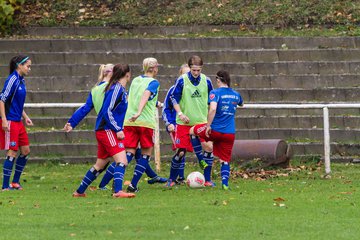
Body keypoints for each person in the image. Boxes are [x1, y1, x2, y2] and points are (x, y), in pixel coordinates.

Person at [71, 64, 135, 198]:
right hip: (107, 130)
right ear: (127, 74)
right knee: (122, 161)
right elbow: (107, 111)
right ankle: (118, 191)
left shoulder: (119, 89)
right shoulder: (117, 88)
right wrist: (117, 129)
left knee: (100, 164)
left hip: (104, 130)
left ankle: (79, 191)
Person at [189, 70, 243, 190]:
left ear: (218, 80)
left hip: (215, 131)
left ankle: (201, 159)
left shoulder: (215, 93)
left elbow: (212, 109)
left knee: (192, 131)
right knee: (224, 160)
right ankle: (225, 184)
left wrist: (208, 125)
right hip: (229, 133)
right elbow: (241, 104)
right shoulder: (236, 94)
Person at [168, 55, 214, 187]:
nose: (196, 73)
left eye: (198, 70)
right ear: (189, 68)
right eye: (193, 70)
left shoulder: (207, 81)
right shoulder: (182, 80)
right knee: (181, 151)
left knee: (209, 147)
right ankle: (171, 180)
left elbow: (212, 100)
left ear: (201, 68)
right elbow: (174, 98)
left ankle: (207, 180)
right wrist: (180, 113)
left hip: (201, 122)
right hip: (184, 123)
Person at [124, 57, 161, 193]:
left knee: (129, 153)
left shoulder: (135, 80)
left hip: (129, 121)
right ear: (155, 68)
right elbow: (146, 94)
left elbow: (130, 97)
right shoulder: (154, 82)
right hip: (145, 122)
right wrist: (139, 112)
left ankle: (117, 181)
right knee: (145, 154)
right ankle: (133, 185)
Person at [1, 55, 33, 191]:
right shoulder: (12, 80)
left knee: (25, 151)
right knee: (12, 151)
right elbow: (1, 100)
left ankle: (15, 182)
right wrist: (3, 120)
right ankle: (5, 186)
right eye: (28, 66)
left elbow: (17, 103)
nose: (29, 69)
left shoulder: (22, 80)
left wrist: (25, 116)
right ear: (19, 65)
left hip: (18, 121)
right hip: (10, 121)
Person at [161, 64, 190, 184]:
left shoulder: (193, 90)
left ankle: (180, 178)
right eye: (184, 74)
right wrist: (169, 123)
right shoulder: (173, 90)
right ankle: (172, 179)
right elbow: (166, 108)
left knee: (184, 151)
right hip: (175, 124)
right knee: (181, 150)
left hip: (188, 125)